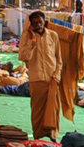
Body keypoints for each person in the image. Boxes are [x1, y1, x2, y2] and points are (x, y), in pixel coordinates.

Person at [18, 10, 61, 140]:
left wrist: (57, 75)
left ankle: (53, 135)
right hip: (36, 78)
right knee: (37, 111)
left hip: (52, 78)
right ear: (31, 24)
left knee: (53, 109)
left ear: (44, 22)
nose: (38, 25)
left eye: (40, 22)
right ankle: (37, 137)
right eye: (35, 23)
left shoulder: (53, 35)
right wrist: (32, 40)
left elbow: (59, 59)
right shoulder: (27, 37)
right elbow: (23, 57)